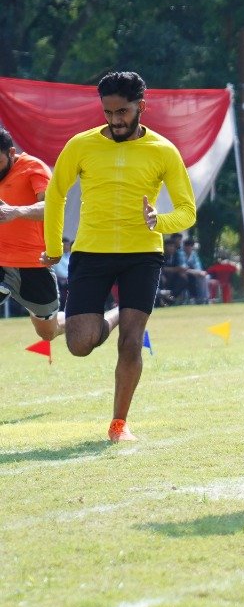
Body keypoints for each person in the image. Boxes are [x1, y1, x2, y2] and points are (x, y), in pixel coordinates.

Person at [42, 72, 196, 443]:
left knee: (131, 340)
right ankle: (114, 313)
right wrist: (54, 247)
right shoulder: (81, 145)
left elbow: (187, 211)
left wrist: (159, 221)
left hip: (142, 254)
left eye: (122, 111)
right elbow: (56, 194)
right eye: (108, 112)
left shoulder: (163, 150)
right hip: (91, 252)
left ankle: (118, 424)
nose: (115, 120)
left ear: (141, 106)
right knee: (80, 343)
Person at [0, 127, 68, 343]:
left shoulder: (33, 168)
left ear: (11, 153)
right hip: (1, 262)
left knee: (48, 333)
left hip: (33, 264)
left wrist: (17, 211)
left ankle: (89, 316)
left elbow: (52, 207)